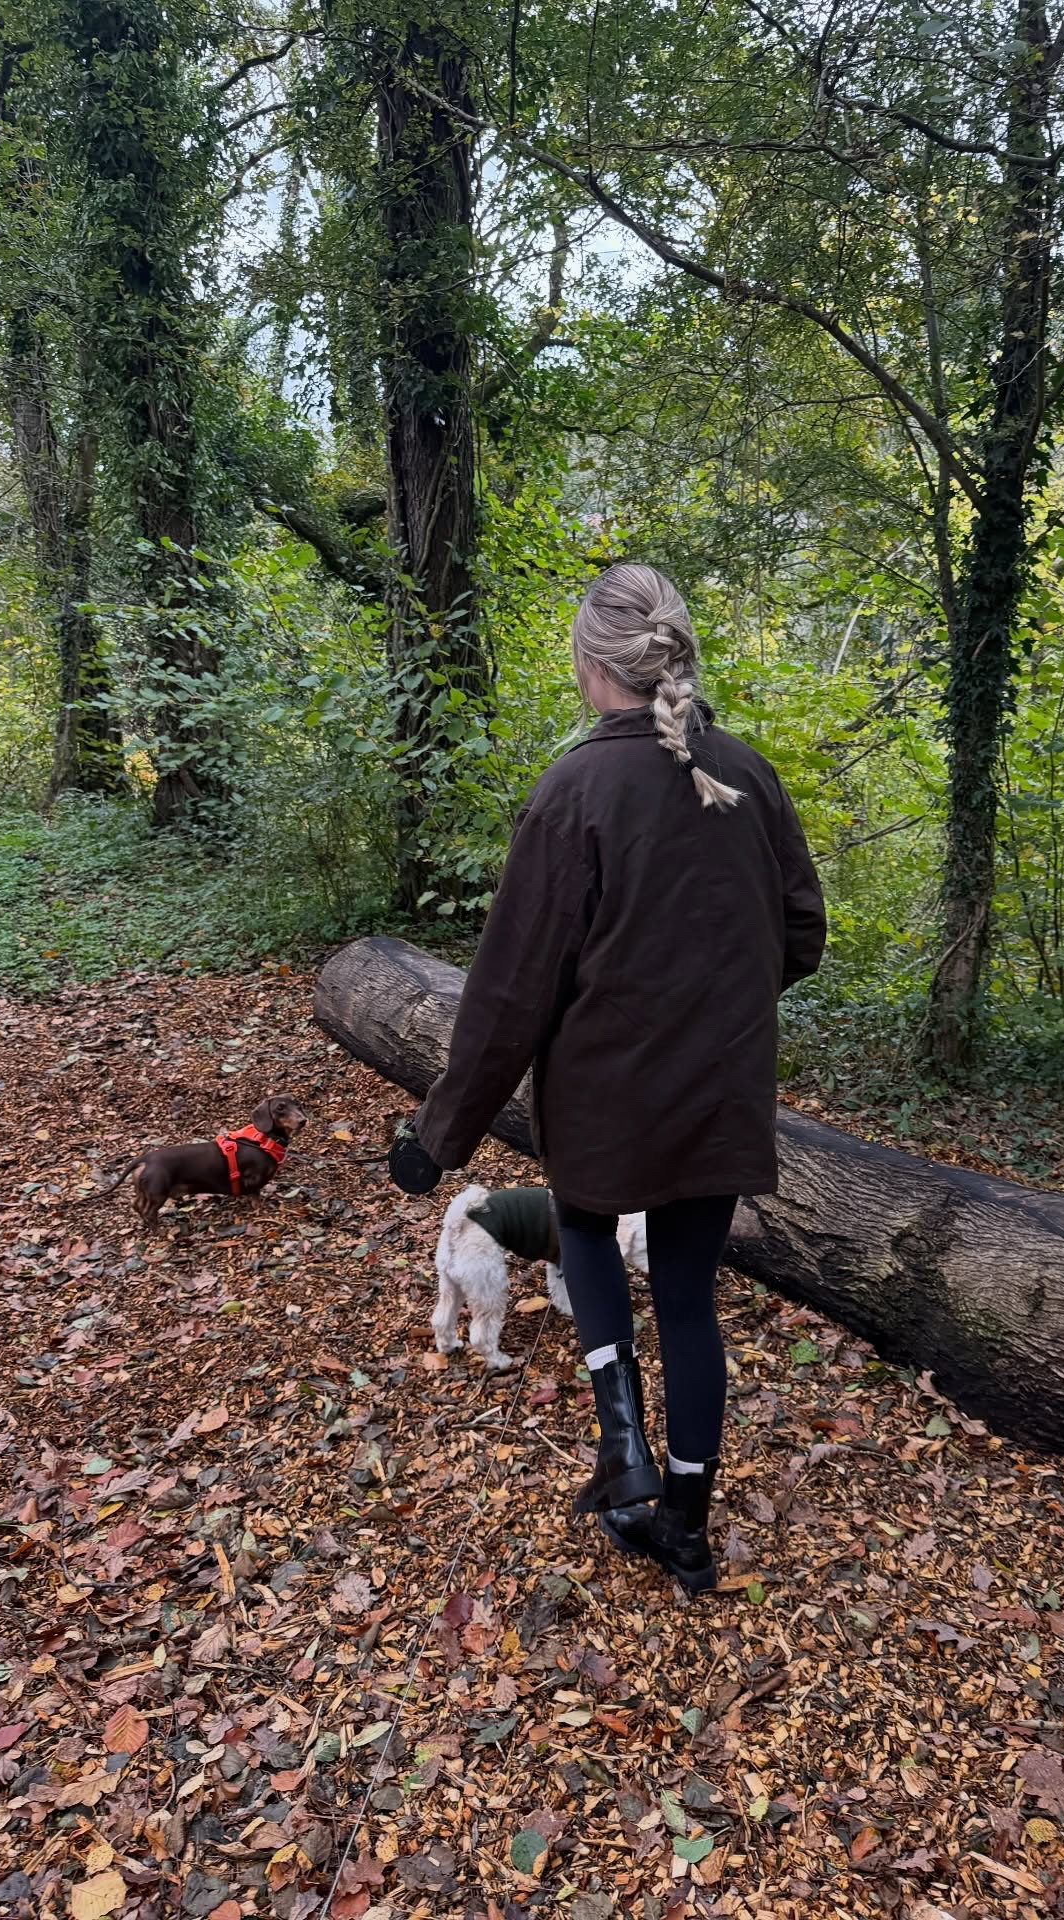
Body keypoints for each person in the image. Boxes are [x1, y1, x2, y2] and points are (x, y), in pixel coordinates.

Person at [389, 562, 826, 1591]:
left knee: (584, 1228)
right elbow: (801, 934)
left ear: (593, 667)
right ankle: (685, 1519)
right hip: (719, 1093)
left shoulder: (573, 792)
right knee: (687, 1297)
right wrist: (718, 1001)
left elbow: (508, 998)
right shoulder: (747, 775)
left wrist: (436, 1138)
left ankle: (623, 1451)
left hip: (603, 1095)